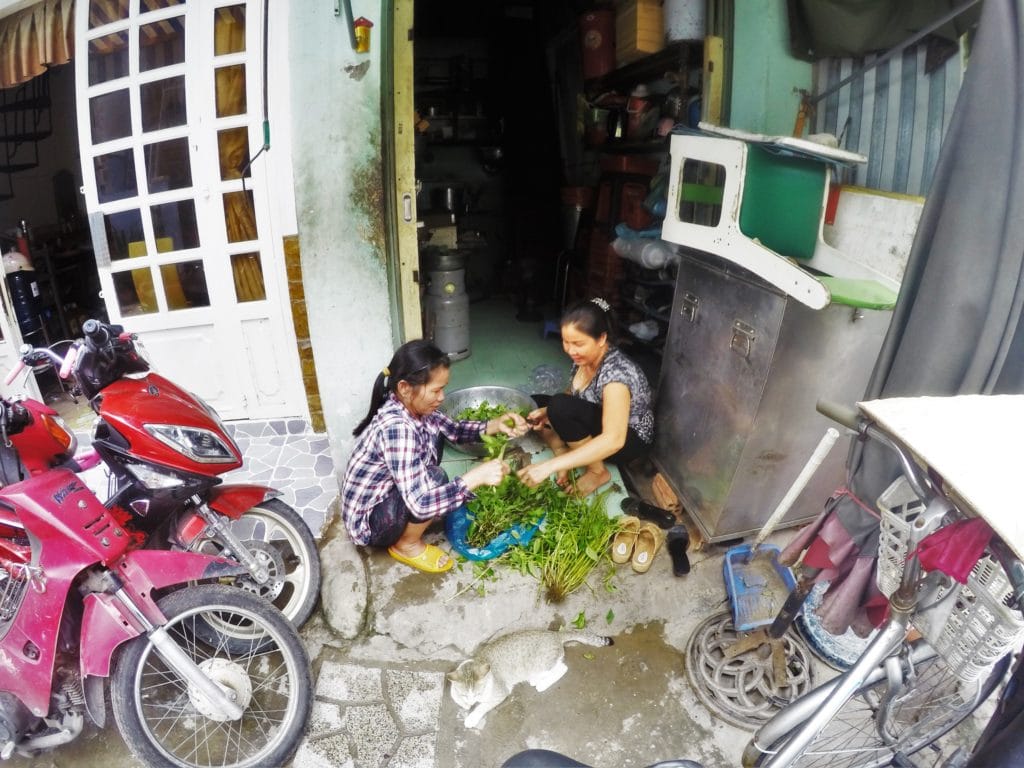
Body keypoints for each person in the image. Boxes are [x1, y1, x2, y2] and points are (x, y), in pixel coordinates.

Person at [342, 339, 529, 573]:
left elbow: (455, 430)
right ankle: (406, 545)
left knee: (435, 450)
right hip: (371, 525)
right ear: (404, 388)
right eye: (436, 390)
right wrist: (474, 478)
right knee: (435, 477)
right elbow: (420, 505)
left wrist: (495, 425)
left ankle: (409, 530)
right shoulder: (397, 428)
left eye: (444, 388)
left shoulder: (415, 408)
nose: (442, 397)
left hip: (389, 496)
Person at [517, 297, 654, 496]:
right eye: (565, 342)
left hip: (628, 440)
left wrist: (548, 467)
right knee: (536, 402)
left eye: (578, 343)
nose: (570, 350)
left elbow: (614, 439)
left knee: (560, 406)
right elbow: (572, 394)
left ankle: (597, 471)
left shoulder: (617, 375)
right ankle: (562, 449)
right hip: (600, 418)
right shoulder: (585, 357)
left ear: (601, 339)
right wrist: (546, 412)